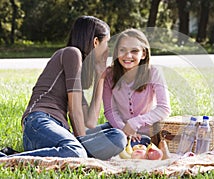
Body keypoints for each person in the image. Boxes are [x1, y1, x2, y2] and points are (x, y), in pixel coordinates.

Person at [0, 16, 126, 160]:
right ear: (96, 42)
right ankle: (6, 159)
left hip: (59, 131)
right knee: (76, 152)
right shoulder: (72, 53)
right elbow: (74, 111)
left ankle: (32, 155)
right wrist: (82, 142)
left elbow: (90, 122)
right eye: (107, 43)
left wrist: (100, 78)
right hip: (39, 122)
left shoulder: (80, 68)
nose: (108, 49)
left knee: (116, 135)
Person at [103, 28, 171, 145]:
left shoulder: (153, 72)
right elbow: (110, 111)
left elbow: (164, 109)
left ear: (143, 54)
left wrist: (134, 123)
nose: (128, 55)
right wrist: (124, 129)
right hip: (118, 130)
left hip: (145, 134)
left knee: (127, 144)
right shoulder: (109, 75)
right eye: (122, 50)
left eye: (134, 51)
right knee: (90, 134)